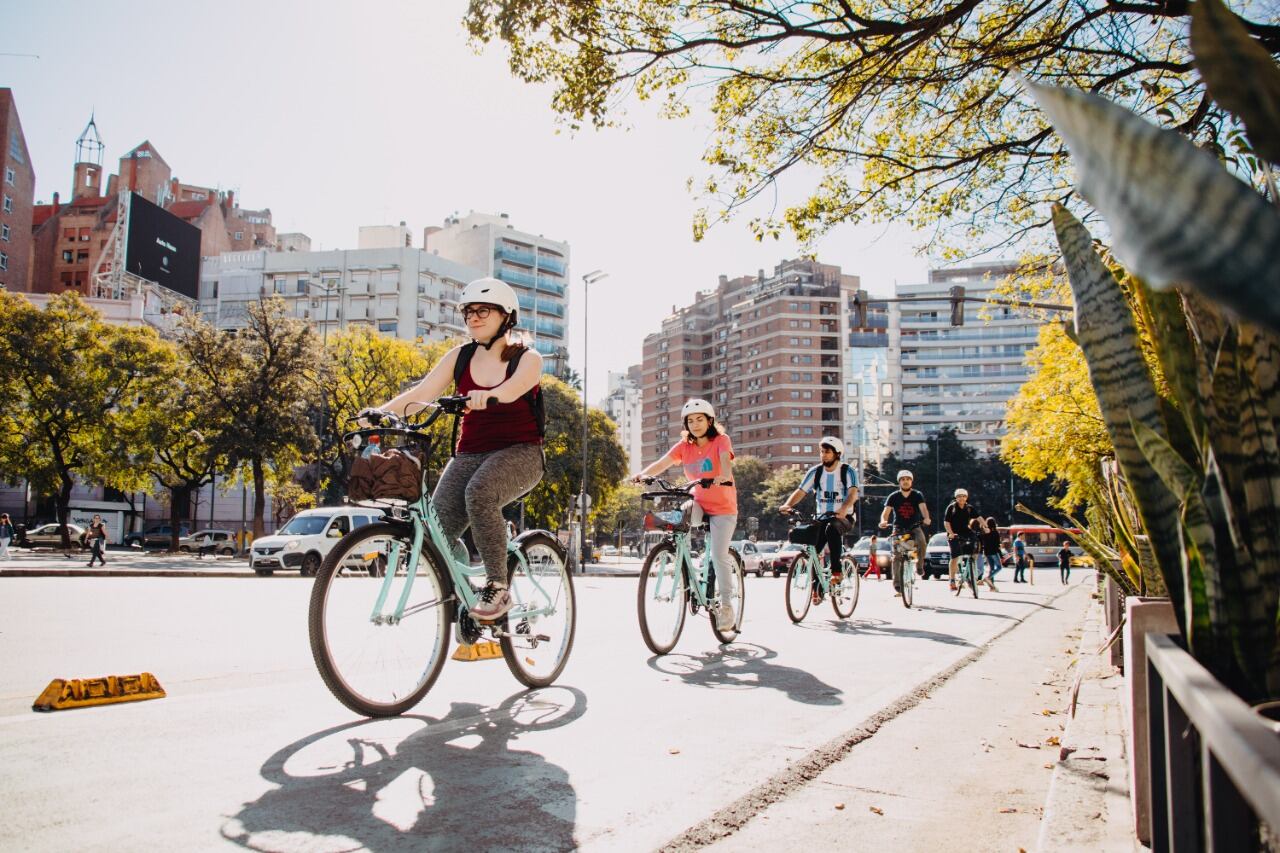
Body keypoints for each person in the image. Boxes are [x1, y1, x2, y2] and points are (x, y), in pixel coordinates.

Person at [364, 277, 544, 621]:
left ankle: (497, 585)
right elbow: (422, 394)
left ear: (506, 316)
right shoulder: (460, 357)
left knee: (479, 493)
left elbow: (512, 389)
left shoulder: (526, 357)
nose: (473, 318)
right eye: (468, 312)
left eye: (483, 311)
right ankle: (467, 590)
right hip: (471, 454)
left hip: (521, 453)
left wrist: (489, 395)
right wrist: (380, 414)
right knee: (437, 532)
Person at [633, 398, 739, 630]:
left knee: (719, 554)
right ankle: (680, 557)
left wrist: (724, 475)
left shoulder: (721, 440)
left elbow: (725, 461)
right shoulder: (685, 446)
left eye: (700, 419)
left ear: (710, 421)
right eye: (690, 421)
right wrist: (642, 475)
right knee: (679, 519)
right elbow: (662, 463)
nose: (695, 424)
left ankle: (728, 607)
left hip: (723, 508)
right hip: (699, 501)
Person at [778, 436, 858, 589]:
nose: (823, 455)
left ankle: (836, 571)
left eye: (827, 452)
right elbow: (801, 491)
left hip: (844, 517)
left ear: (837, 453)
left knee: (832, 530)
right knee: (813, 549)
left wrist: (842, 509)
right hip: (822, 517)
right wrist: (787, 505)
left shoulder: (848, 471)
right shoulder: (815, 472)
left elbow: (853, 493)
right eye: (821, 452)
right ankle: (817, 589)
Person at [879, 470, 931, 597]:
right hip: (898, 527)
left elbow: (923, 509)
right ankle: (897, 584)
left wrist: (927, 518)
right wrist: (883, 521)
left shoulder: (917, 495)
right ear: (899, 482)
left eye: (908, 479)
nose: (905, 481)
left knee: (922, 542)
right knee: (897, 556)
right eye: (903, 479)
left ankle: (919, 565)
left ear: (911, 481)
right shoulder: (893, 496)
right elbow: (886, 512)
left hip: (914, 526)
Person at [943, 488, 985, 592]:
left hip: (966, 531)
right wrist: (951, 533)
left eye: (964, 496)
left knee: (976, 543)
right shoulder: (951, 508)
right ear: (956, 498)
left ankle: (971, 569)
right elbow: (946, 522)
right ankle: (952, 580)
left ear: (966, 498)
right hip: (953, 533)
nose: (961, 498)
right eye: (959, 496)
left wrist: (986, 526)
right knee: (955, 556)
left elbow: (979, 518)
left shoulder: (969, 508)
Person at [979, 515, 1002, 591]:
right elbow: (998, 544)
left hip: (987, 552)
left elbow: (982, 542)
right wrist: (1001, 554)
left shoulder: (984, 533)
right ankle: (988, 578)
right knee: (999, 567)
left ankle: (992, 587)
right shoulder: (995, 532)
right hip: (994, 552)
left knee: (991, 569)